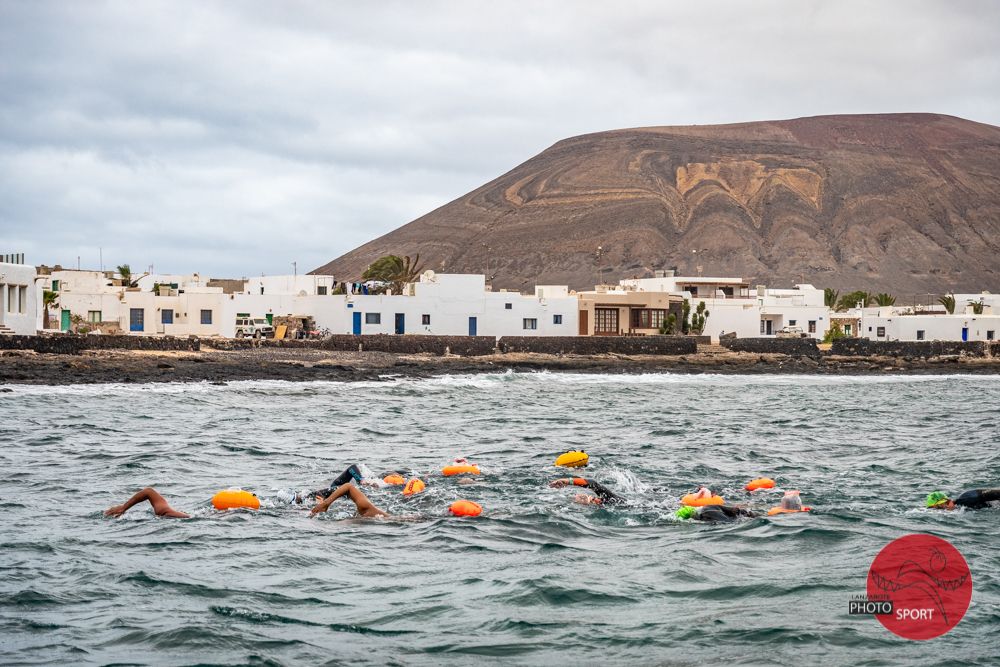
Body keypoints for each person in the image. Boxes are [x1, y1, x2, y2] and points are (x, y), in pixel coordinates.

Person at [310, 482, 387, 518]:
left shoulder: (367, 509)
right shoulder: (367, 508)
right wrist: (325, 504)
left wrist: (325, 504)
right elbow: (348, 486)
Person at [104, 487, 191, 519]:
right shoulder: (186, 516)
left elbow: (148, 492)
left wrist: (123, 507)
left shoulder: (184, 516)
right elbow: (148, 492)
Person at [550, 477, 625, 505]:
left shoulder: (611, 499)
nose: (595, 499)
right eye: (592, 499)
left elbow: (593, 484)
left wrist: (567, 481)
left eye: (592, 498)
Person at [926, 488, 1000, 510]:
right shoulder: (960, 507)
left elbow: (994, 493)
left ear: (946, 502)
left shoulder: (966, 498)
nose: (943, 510)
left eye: (939, 507)